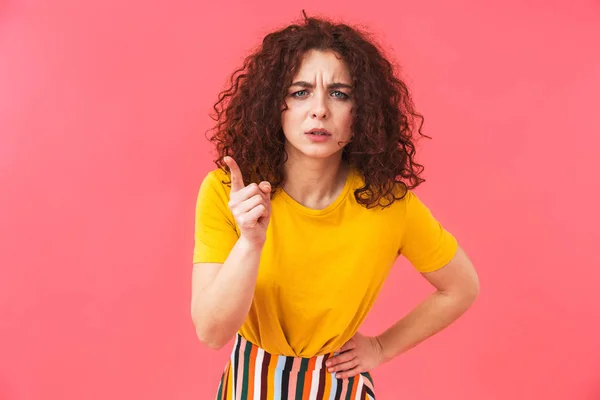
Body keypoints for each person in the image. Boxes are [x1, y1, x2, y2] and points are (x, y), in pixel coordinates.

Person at [191, 11, 480, 399]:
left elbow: (461, 287)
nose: (320, 110)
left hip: (340, 387)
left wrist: (381, 347)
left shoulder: (389, 203)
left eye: (339, 93)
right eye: (300, 92)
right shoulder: (228, 193)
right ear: (273, 105)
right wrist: (250, 242)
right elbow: (211, 333)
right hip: (249, 383)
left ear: (362, 112)